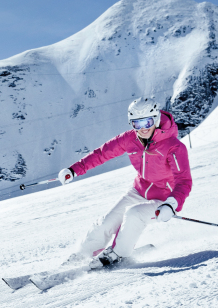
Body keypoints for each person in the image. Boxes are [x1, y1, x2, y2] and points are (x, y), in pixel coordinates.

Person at [57, 97, 192, 268]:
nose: (143, 129)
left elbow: (184, 181)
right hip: (139, 190)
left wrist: (171, 205)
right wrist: (74, 170)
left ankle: (117, 254)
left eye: (147, 122)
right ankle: (83, 255)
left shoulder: (174, 147)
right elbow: (102, 153)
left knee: (134, 216)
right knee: (108, 222)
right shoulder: (130, 139)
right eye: (137, 124)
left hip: (164, 200)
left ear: (156, 119)